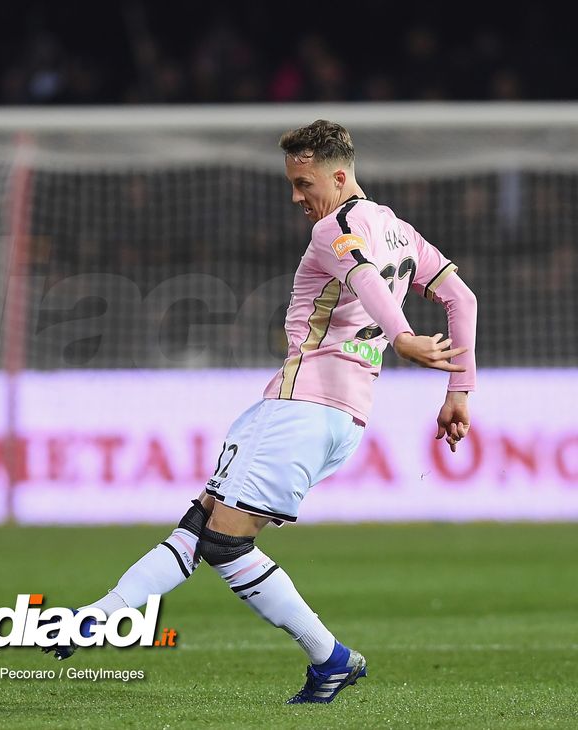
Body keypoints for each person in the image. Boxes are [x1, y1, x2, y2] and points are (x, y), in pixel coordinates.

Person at [47, 120, 478, 705]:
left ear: (340, 175)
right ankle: (98, 617)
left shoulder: (338, 227)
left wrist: (403, 338)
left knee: (226, 543)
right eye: (293, 185)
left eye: (305, 183)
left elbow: (365, 280)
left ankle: (332, 658)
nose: (297, 197)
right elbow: (461, 297)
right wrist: (460, 390)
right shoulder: (400, 231)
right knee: (202, 525)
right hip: (327, 411)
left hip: (305, 406)